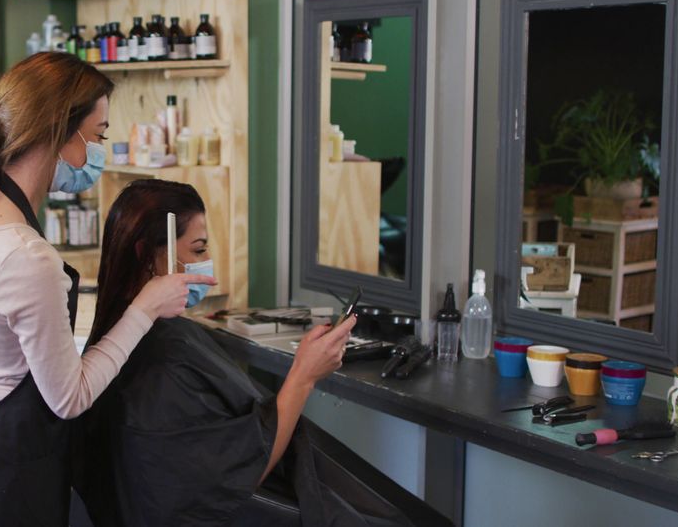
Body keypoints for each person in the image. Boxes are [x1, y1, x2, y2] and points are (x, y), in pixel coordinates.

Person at [0, 53, 215, 526]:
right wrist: (145, 306)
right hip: (7, 462)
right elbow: (69, 399)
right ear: (61, 132)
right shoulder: (26, 255)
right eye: (98, 135)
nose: (97, 151)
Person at [75, 179, 452, 527]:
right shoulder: (163, 358)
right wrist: (303, 376)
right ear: (148, 254)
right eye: (199, 249)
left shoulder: (118, 338)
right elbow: (239, 474)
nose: (209, 269)